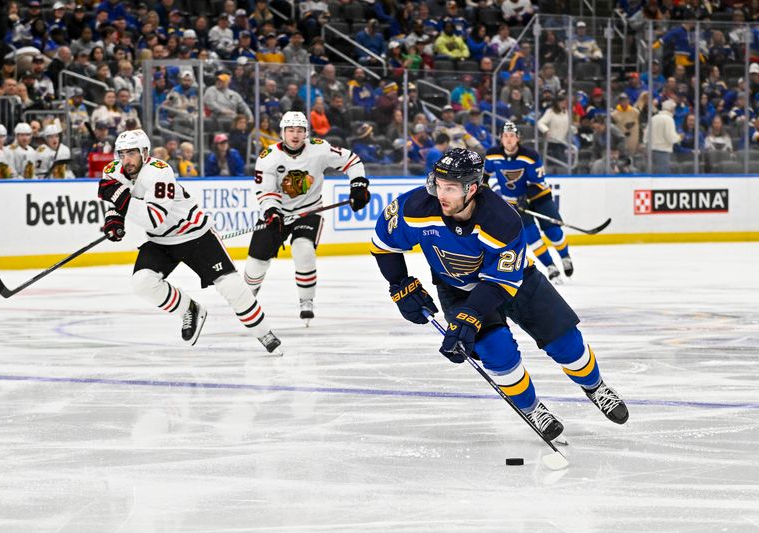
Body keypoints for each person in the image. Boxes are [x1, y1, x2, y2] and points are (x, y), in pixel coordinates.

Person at [370, 148, 628, 441]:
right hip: (456, 288)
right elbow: (383, 243)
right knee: (497, 353)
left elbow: (500, 282)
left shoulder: (502, 220)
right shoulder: (414, 208)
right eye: (438, 184)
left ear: (473, 188)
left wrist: (470, 317)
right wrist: (399, 284)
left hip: (515, 281)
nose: (441, 194)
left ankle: (595, 387)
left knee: (565, 342)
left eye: (451, 188)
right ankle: (532, 408)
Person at [96, 129, 283, 354]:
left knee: (231, 287)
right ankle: (189, 309)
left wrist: (119, 198)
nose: (126, 160)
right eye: (122, 154)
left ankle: (265, 333)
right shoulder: (112, 171)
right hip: (159, 241)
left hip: (195, 235)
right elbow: (115, 204)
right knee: (142, 283)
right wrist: (113, 220)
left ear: (144, 153)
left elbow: (154, 218)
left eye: (132, 153)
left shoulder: (159, 172)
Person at [243, 111, 371, 324]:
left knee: (303, 249)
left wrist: (358, 184)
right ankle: (246, 300)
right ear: (282, 132)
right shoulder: (269, 158)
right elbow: (265, 192)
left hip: (309, 211)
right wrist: (272, 212)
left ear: (306, 133)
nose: (295, 135)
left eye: (300, 130)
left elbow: (352, 160)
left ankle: (306, 301)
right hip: (278, 214)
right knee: (256, 261)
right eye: (291, 130)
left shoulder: (319, 148)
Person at [485, 122, 573, 282]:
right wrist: (483, 189)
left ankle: (565, 256)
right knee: (531, 236)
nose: (509, 139)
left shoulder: (530, 156)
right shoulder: (492, 155)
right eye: (505, 136)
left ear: (518, 138)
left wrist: (525, 198)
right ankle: (550, 267)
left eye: (512, 136)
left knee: (553, 232)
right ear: (501, 139)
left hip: (539, 198)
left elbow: (538, 182)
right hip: (514, 204)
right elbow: (485, 174)